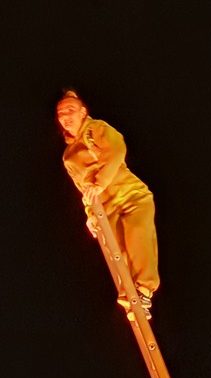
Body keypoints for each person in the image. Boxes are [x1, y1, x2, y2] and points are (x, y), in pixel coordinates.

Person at [57, 90, 160, 319]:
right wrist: (90, 215)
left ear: (83, 112)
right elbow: (84, 189)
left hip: (131, 196)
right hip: (106, 207)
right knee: (117, 252)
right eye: (61, 113)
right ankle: (131, 299)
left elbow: (116, 152)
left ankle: (144, 289)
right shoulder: (69, 157)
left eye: (71, 110)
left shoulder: (96, 129)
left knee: (137, 236)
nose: (66, 116)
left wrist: (101, 183)